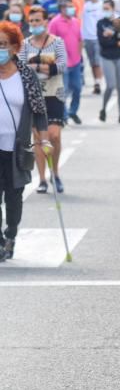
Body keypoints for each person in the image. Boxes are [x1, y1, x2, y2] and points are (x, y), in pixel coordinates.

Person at [0, 22, 51, 262]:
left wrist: (44, 138)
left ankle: (11, 233)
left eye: (2, 45)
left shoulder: (26, 76)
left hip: (17, 149)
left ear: (14, 47)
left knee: (14, 197)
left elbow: (39, 111)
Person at [18, 6, 66, 195]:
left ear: (46, 22)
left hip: (55, 93)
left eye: (38, 20)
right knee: (39, 138)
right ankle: (43, 179)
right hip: (33, 95)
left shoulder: (57, 42)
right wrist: (47, 66)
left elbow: (61, 66)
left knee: (53, 135)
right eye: (32, 21)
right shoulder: (25, 44)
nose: (35, 24)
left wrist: (37, 66)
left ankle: (55, 173)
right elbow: (22, 68)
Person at [47, 0, 83, 125]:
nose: (71, 8)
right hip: (62, 63)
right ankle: (64, 115)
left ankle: (73, 111)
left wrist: (79, 55)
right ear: (62, 8)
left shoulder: (75, 21)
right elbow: (50, 42)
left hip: (76, 61)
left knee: (77, 88)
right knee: (64, 90)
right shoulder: (54, 23)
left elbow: (79, 39)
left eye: (71, 6)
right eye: (68, 6)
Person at [97, 0, 120, 124]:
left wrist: (113, 37)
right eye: (103, 8)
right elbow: (103, 42)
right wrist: (116, 42)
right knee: (110, 85)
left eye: (107, 8)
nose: (105, 10)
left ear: (113, 8)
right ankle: (103, 109)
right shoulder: (101, 23)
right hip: (107, 56)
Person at [80, 0, 105, 96]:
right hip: (88, 37)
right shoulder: (85, 6)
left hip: (98, 37)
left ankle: (98, 83)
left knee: (98, 61)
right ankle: (96, 81)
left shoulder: (101, 5)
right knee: (92, 63)